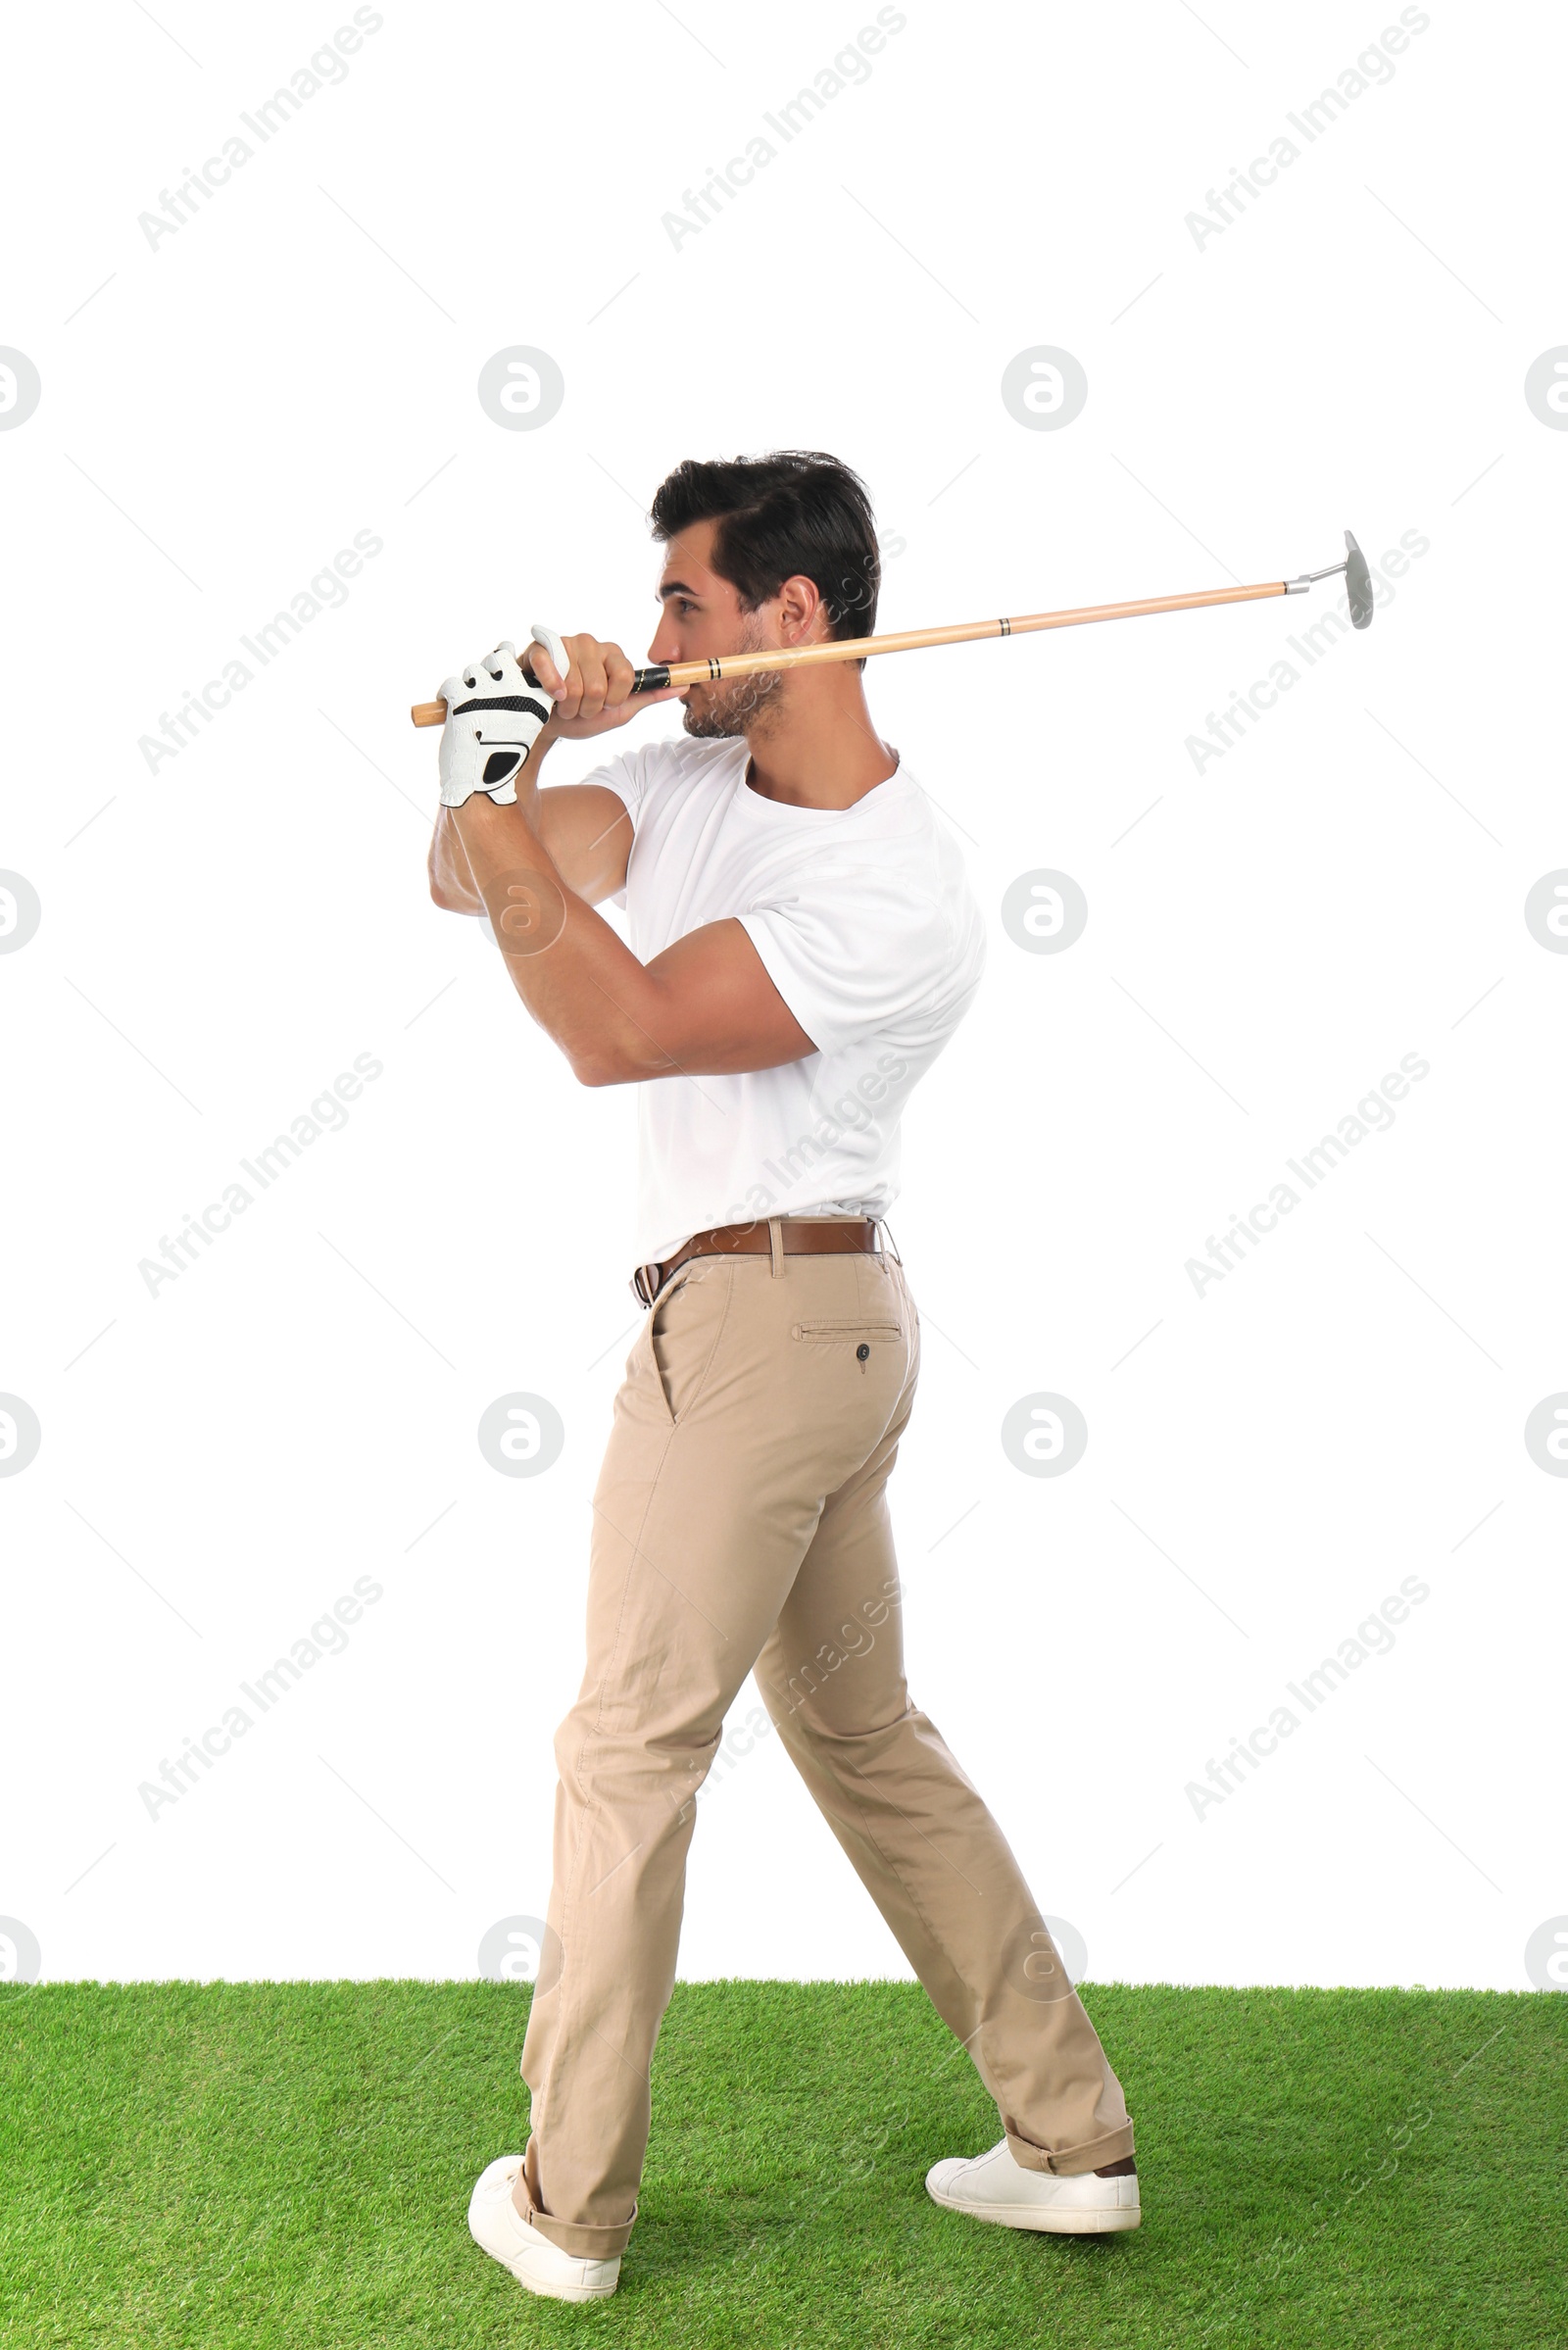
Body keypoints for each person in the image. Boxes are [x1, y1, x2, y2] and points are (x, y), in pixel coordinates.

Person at [425, 452, 1139, 2306]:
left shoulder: (900, 892)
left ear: (797, 618)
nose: (657, 635)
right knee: (863, 1735)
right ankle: (1070, 2143)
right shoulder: (678, 775)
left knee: (626, 1750)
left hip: (755, 1345)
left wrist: (493, 798)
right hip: (814, 1345)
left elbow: (619, 1032)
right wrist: (523, 752)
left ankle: (569, 2207)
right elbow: (467, 879)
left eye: (684, 605)